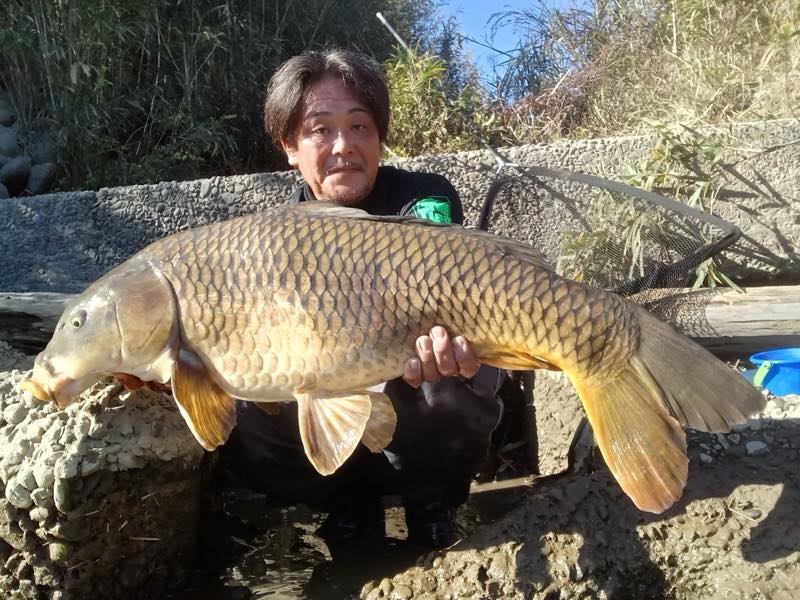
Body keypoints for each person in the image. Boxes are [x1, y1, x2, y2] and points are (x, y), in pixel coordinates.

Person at [217, 48, 504, 549]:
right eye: (320, 129)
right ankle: (345, 505)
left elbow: (436, 256)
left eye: (360, 126)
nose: (343, 145)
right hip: (333, 410)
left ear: (379, 137)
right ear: (289, 146)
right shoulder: (271, 238)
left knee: (450, 365)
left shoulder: (424, 196)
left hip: (412, 401)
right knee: (242, 396)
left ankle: (430, 501)